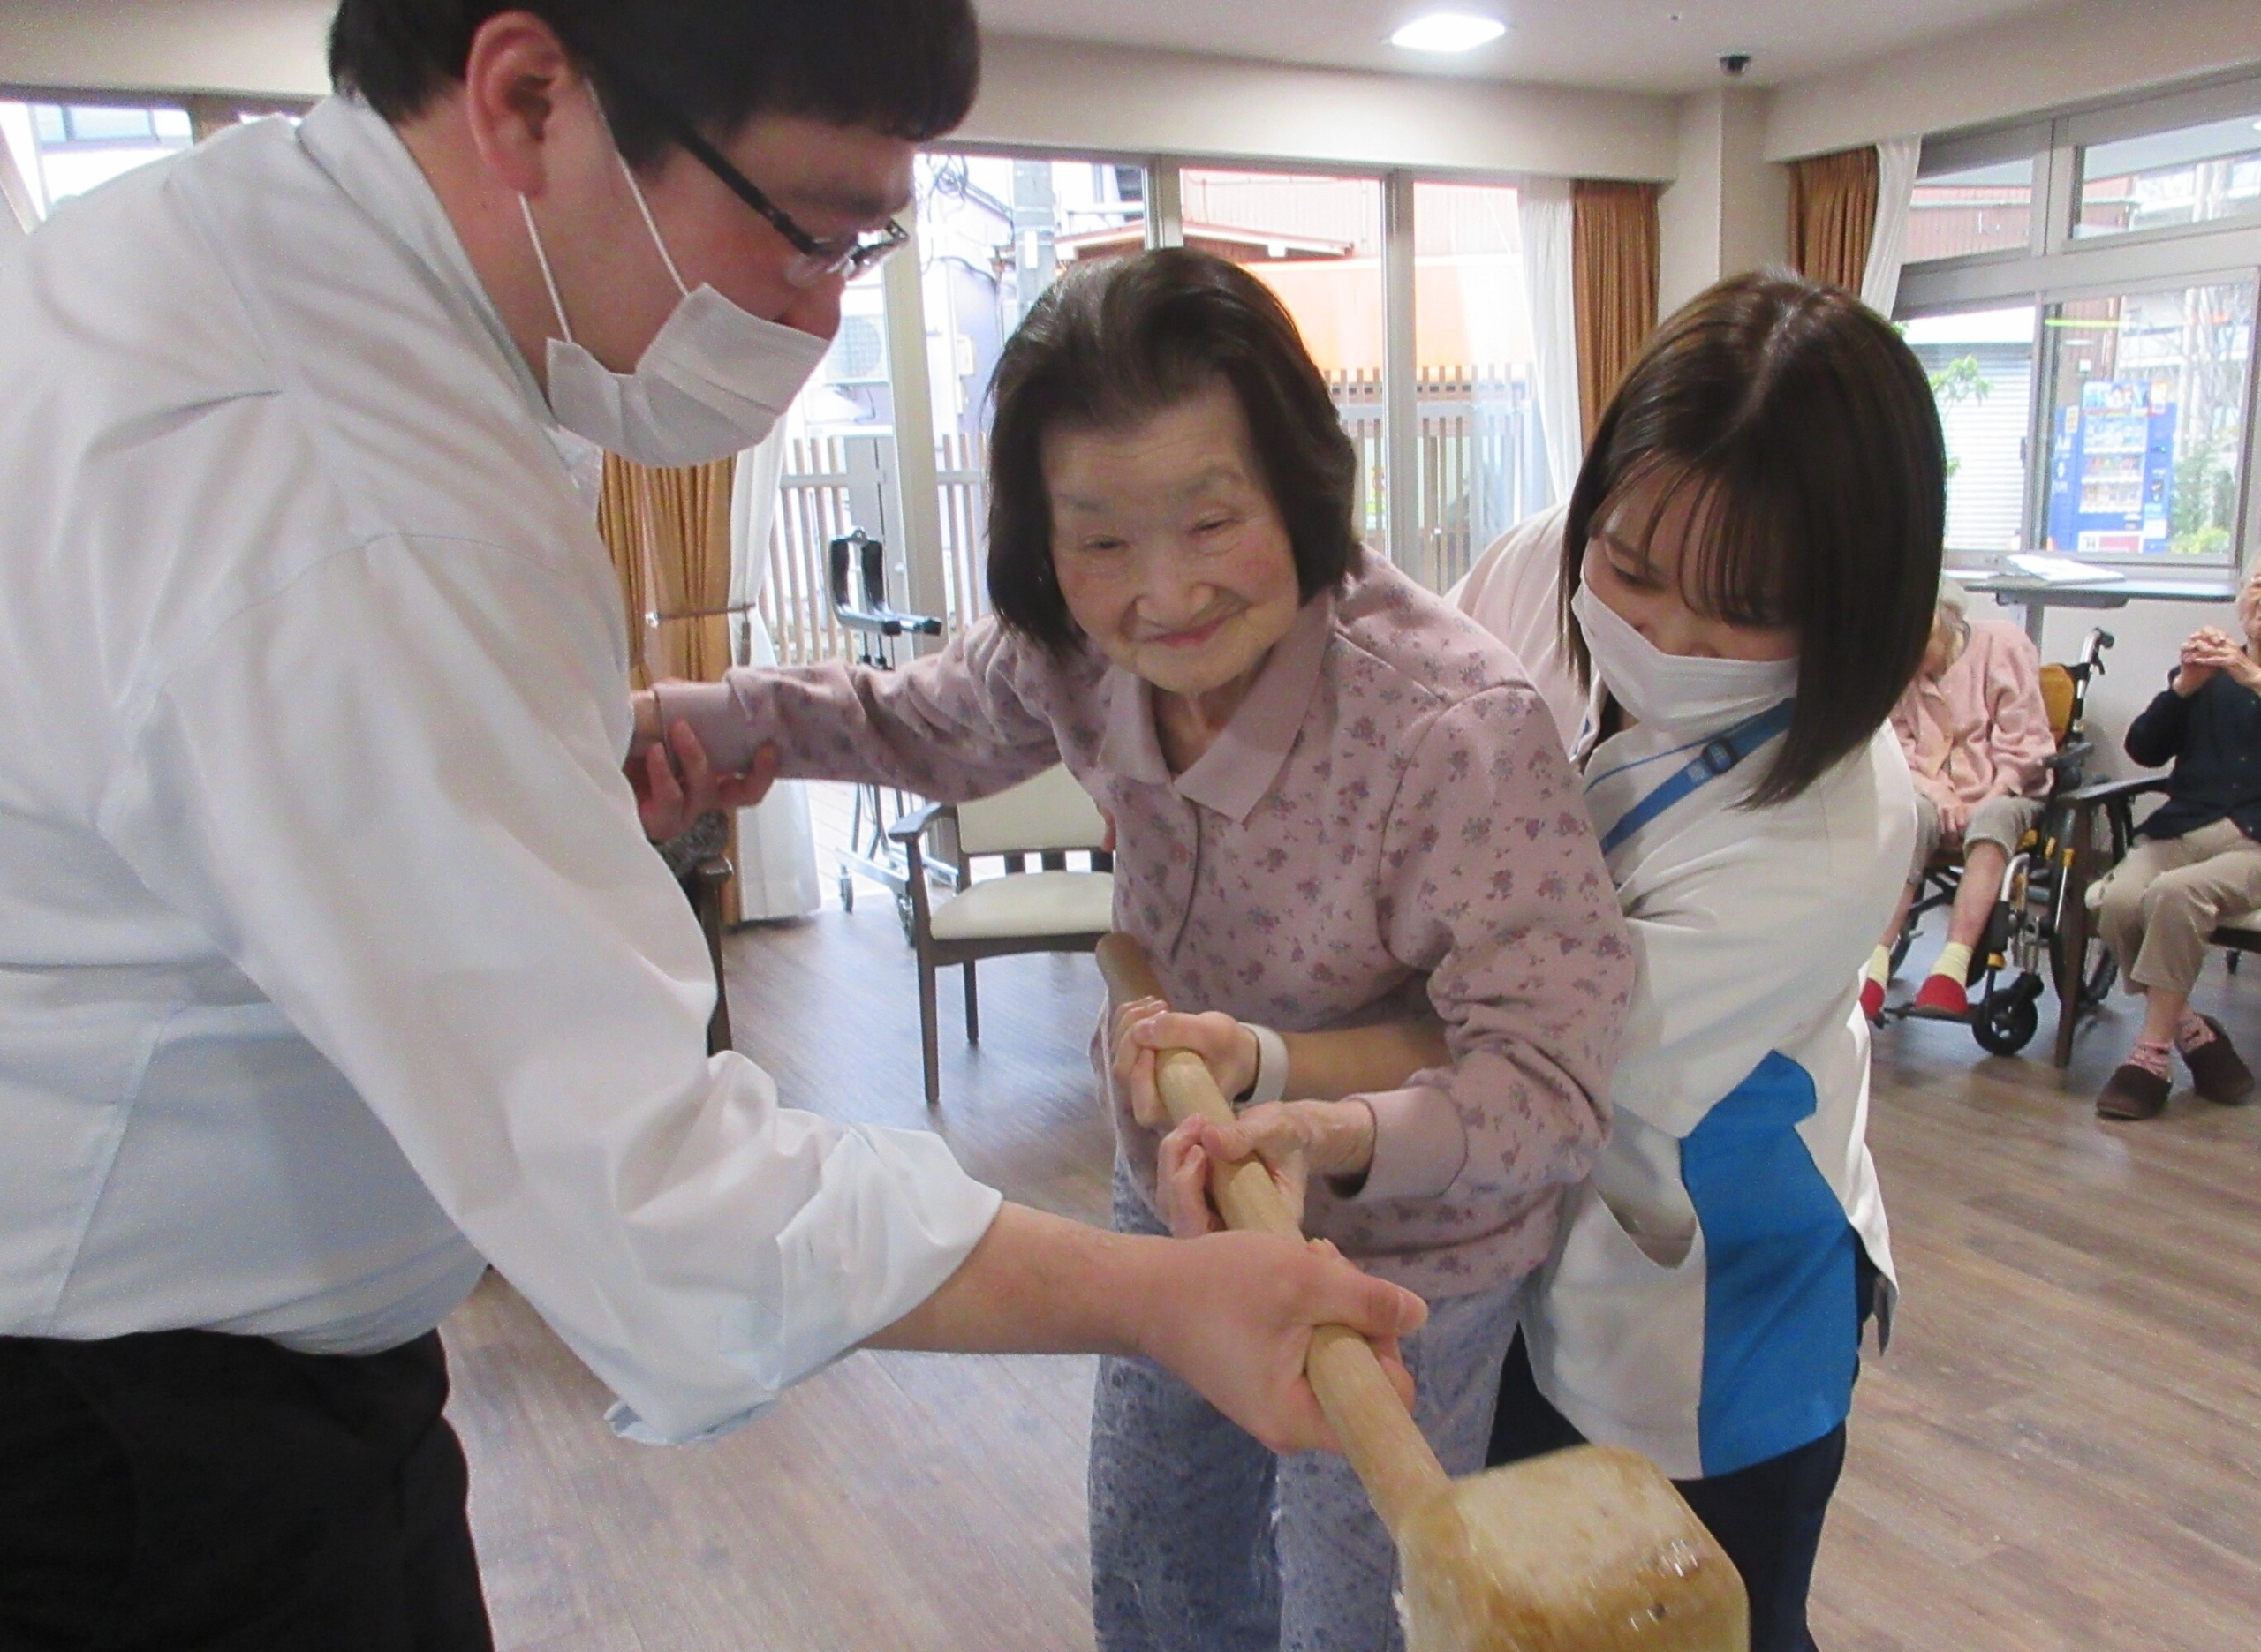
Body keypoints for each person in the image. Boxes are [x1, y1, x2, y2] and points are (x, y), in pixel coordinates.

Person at [0, 6, 1430, 1646]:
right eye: (807, 231)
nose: (822, 309)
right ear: (531, 97)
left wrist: (529, 775)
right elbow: (654, 1186)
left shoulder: (272, 277)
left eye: (868, 245)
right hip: (134, 1435)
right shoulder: (339, 485)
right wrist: (1158, 1302)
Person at [635, 246, 1633, 1652]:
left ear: (1300, 489)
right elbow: (908, 720)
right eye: (1100, 539)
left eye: (1211, 520)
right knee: (1159, 1561)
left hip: (1410, 1242)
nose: (1160, 593)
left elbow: (1552, 1082)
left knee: (1365, 1603)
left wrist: (1328, 1127)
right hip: (1181, 1168)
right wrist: (684, 723)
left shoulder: (1455, 728)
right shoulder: (1070, 651)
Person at [1244, 271, 1937, 1652]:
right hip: (1538, 1257)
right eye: (1631, 568)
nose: (1664, 632)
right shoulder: (1544, 562)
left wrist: (1288, 1066)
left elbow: (1545, 1033)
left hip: (1709, 1311)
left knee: (1697, 1613)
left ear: (1854, 600)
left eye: (1742, 607)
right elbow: (1406, 706)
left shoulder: (1836, 822)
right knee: (1533, 1593)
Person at [2087, 584, 2261, 1120]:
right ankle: (2190, 1028)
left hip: (2254, 843)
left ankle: (2150, 1057)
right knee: (2114, 899)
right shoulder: (2211, 676)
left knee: (2173, 895)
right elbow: (2144, 748)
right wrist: (2184, 686)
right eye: (2256, 588)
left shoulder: (2243, 675)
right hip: (2184, 828)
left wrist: (2251, 678)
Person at [1863, 577, 2056, 1022]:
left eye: (1920, 641)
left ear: (1946, 622)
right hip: (1933, 793)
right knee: (1905, 815)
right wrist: (1937, 790)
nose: (1911, 659)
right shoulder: (1900, 669)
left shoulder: (2002, 645)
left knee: (1992, 819)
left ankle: (1949, 971)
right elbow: (1897, 748)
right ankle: (1872, 968)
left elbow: (2027, 745)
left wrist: (1987, 795)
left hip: (2009, 788)